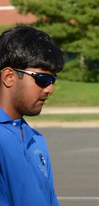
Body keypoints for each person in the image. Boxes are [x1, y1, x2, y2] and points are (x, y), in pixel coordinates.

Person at [0, 25, 64, 205]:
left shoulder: (36, 139)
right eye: (42, 79)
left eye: (53, 80)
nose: (50, 89)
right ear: (9, 77)